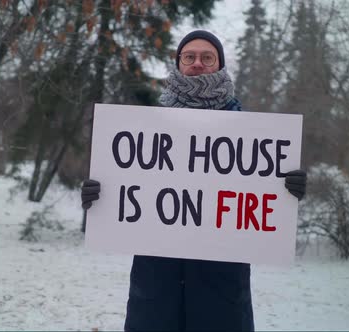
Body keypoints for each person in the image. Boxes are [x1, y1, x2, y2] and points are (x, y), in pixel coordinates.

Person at [81, 30, 307, 331]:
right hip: (155, 288)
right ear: (178, 65)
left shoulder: (248, 131)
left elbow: (259, 200)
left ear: (220, 65)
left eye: (207, 57)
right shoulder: (147, 128)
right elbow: (126, 188)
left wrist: (287, 187)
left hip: (222, 290)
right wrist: (99, 194)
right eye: (189, 57)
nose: (197, 63)